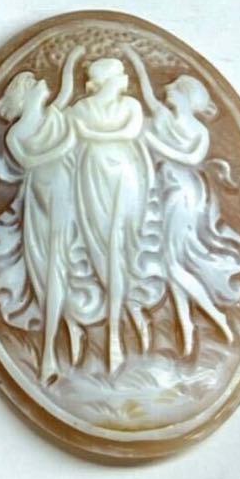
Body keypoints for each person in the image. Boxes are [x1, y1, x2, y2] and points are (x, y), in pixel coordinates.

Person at [0, 47, 100, 383]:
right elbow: (31, 161)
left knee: (59, 267)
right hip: (41, 200)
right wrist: (66, 141)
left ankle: (61, 339)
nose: (42, 84)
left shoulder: (54, 115)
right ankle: (55, 343)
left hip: (66, 197)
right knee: (45, 270)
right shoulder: (16, 133)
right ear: (26, 95)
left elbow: (66, 87)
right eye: (34, 83)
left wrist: (74, 58)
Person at [125, 49, 240, 355]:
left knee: (172, 263)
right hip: (166, 191)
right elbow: (148, 96)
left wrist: (153, 142)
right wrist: (136, 62)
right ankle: (187, 326)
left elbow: (191, 158)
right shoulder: (165, 118)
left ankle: (216, 316)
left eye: (174, 87)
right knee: (172, 264)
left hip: (184, 194)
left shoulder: (198, 131)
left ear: (185, 96)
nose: (166, 89)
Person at [69, 57, 161, 374]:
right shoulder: (81, 108)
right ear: (108, 80)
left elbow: (131, 130)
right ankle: (115, 332)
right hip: (94, 178)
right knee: (101, 247)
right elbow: (86, 130)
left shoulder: (130, 106)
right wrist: (109, 134)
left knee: (126, 245)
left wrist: (93, 134)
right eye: (120, 74)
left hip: (126, 176)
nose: (125, 78)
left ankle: (129, 311)